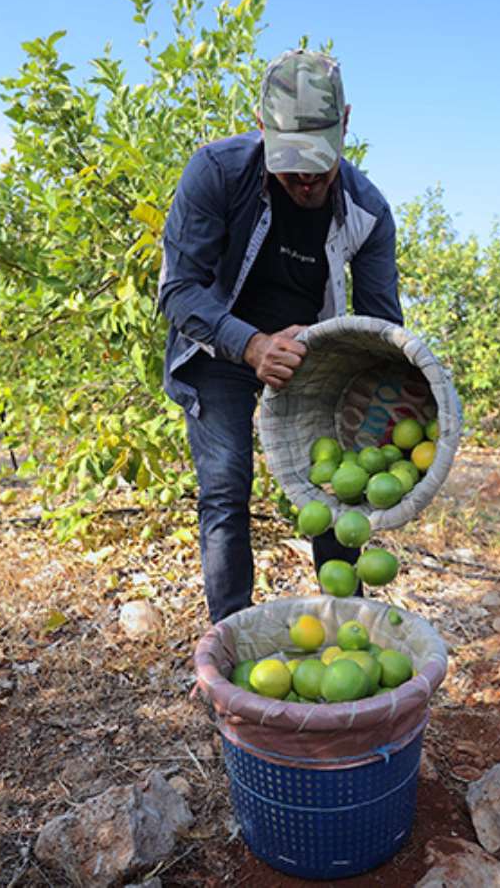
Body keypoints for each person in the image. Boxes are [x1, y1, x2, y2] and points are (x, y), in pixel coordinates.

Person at [158, 49, 403, 623]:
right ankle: (231, 638)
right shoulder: (217, 173)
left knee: (336, 488)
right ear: (263, 126)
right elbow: (178, 292)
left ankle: (349, 629)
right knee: (225, 489)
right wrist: (251, 344)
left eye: (318, 162)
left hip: (310, 359)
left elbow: (381, 328)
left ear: (344, 125)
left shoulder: (367, 212)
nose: (305, 179)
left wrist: (390, 406)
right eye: (291, 161)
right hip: (219, 347)